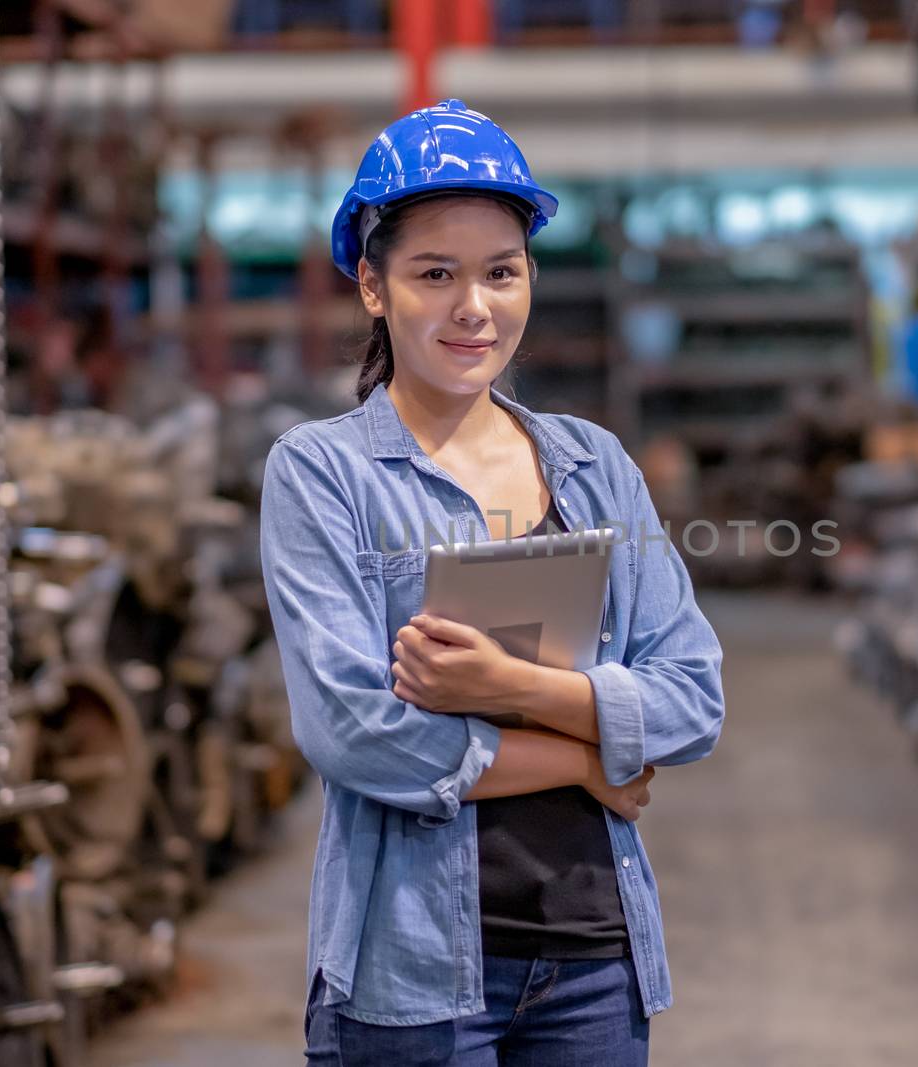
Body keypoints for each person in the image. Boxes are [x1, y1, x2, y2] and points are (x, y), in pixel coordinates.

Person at [260, 99, 726, 1066]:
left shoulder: (593, 464)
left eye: (500, 272)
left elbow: (694, 696)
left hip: (596, 968)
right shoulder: (322, 473)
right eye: (435, 273)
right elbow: (355, 731)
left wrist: (513, 689)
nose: (474, 306)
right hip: (413, 975)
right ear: (372, 286)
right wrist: (591, 756)